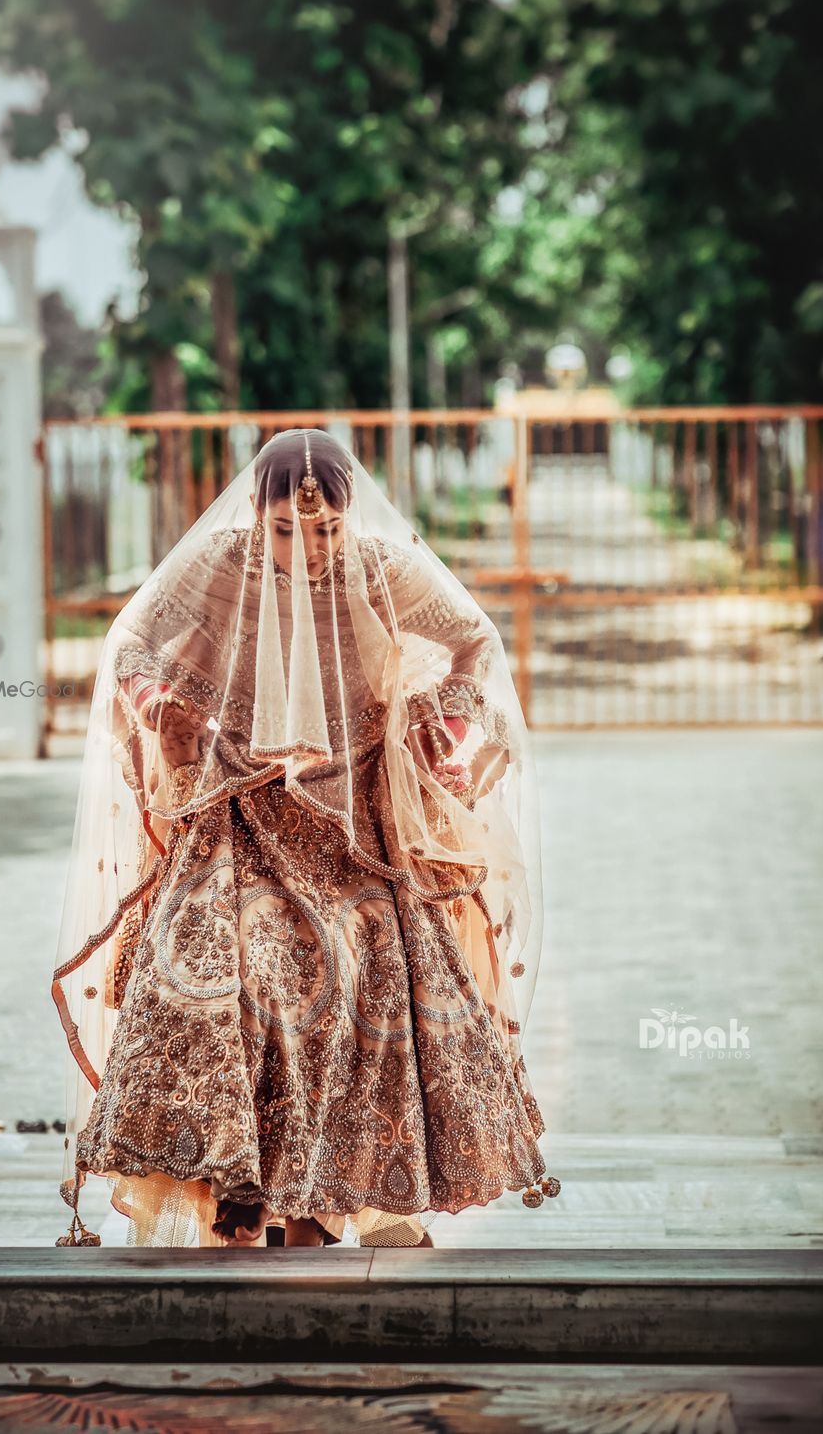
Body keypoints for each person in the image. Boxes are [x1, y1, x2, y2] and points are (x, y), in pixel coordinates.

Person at [52, 428, 559, 1249]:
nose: (308, 549)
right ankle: (238, 1181)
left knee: (367, 963)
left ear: (348, 520)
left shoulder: (378, 572)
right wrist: (160, 709)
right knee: (229, 965)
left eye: (324, 531)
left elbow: (474, 642)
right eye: (288, 530)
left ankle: (324, 1200)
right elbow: (133, 645)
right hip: (237, 814)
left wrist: (445, 722)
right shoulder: (220, 567)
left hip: (357, 829)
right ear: (259, 515)